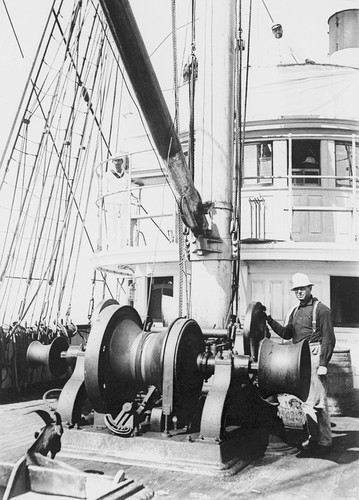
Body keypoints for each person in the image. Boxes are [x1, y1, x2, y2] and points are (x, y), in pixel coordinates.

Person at [265, 272, 336, 456]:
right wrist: (269, 320)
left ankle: (325, 442)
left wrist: (323, 363)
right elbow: (287, 333)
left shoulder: (322, 310)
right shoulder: (294, 311)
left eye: (302, 289)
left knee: (319, 402)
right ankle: (313, 439)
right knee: (305, 402)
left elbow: (329, 338)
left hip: (314, 356)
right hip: (297, 358)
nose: (299, 293)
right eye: (296, 290)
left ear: (310, 288)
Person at [104, 155, 131, 248]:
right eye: (115, 161)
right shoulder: (107, 175)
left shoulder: (127, 176)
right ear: (112, 162)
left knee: (125, 223)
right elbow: (104, 189)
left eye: (119, 160)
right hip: (112, 201)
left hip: (124, 201)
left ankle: (124, 244)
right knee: (112, 224)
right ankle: (112, 245)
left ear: (122, 162)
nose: (117, 163)